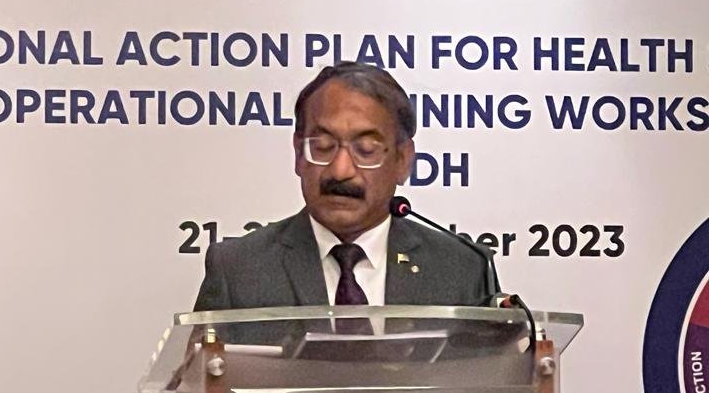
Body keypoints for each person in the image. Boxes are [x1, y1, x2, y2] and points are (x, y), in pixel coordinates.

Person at [194, 62, 494, 313]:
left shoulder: (461, 269)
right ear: (298, 154)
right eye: (322, 146)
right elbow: (203, 367)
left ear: (403, 160)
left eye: (366, 150)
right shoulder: (238, 269)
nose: (340, 170)